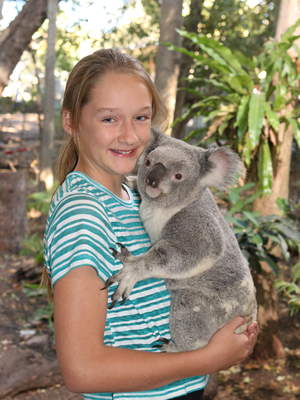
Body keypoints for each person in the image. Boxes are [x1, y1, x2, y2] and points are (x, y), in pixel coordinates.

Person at [43, 48, 258, 400]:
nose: (129, 136)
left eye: (141, 118)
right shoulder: (83, 214)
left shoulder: (134, 196)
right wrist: (206, 358)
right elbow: (83, 371)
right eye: (109, 119)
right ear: (71, 122)